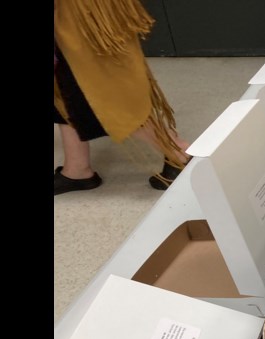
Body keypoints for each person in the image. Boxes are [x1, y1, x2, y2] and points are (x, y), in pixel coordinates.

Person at [53, 0, 191, 196]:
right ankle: (76, 168)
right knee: (63, 87)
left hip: (78, 11)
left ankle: (180, 153)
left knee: (95, 90)